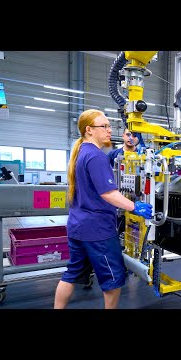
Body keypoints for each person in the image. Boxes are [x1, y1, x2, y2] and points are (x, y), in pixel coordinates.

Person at [54, 109, 153, 309]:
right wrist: (135, 207)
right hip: (97, 230)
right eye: (104, 126)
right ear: (89, 130)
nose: (110, 130)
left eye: (109, 126)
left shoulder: (81, 152)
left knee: (72, 273)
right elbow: (108, 193)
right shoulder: (97, 157)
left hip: (77, 226)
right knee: (113, 280)